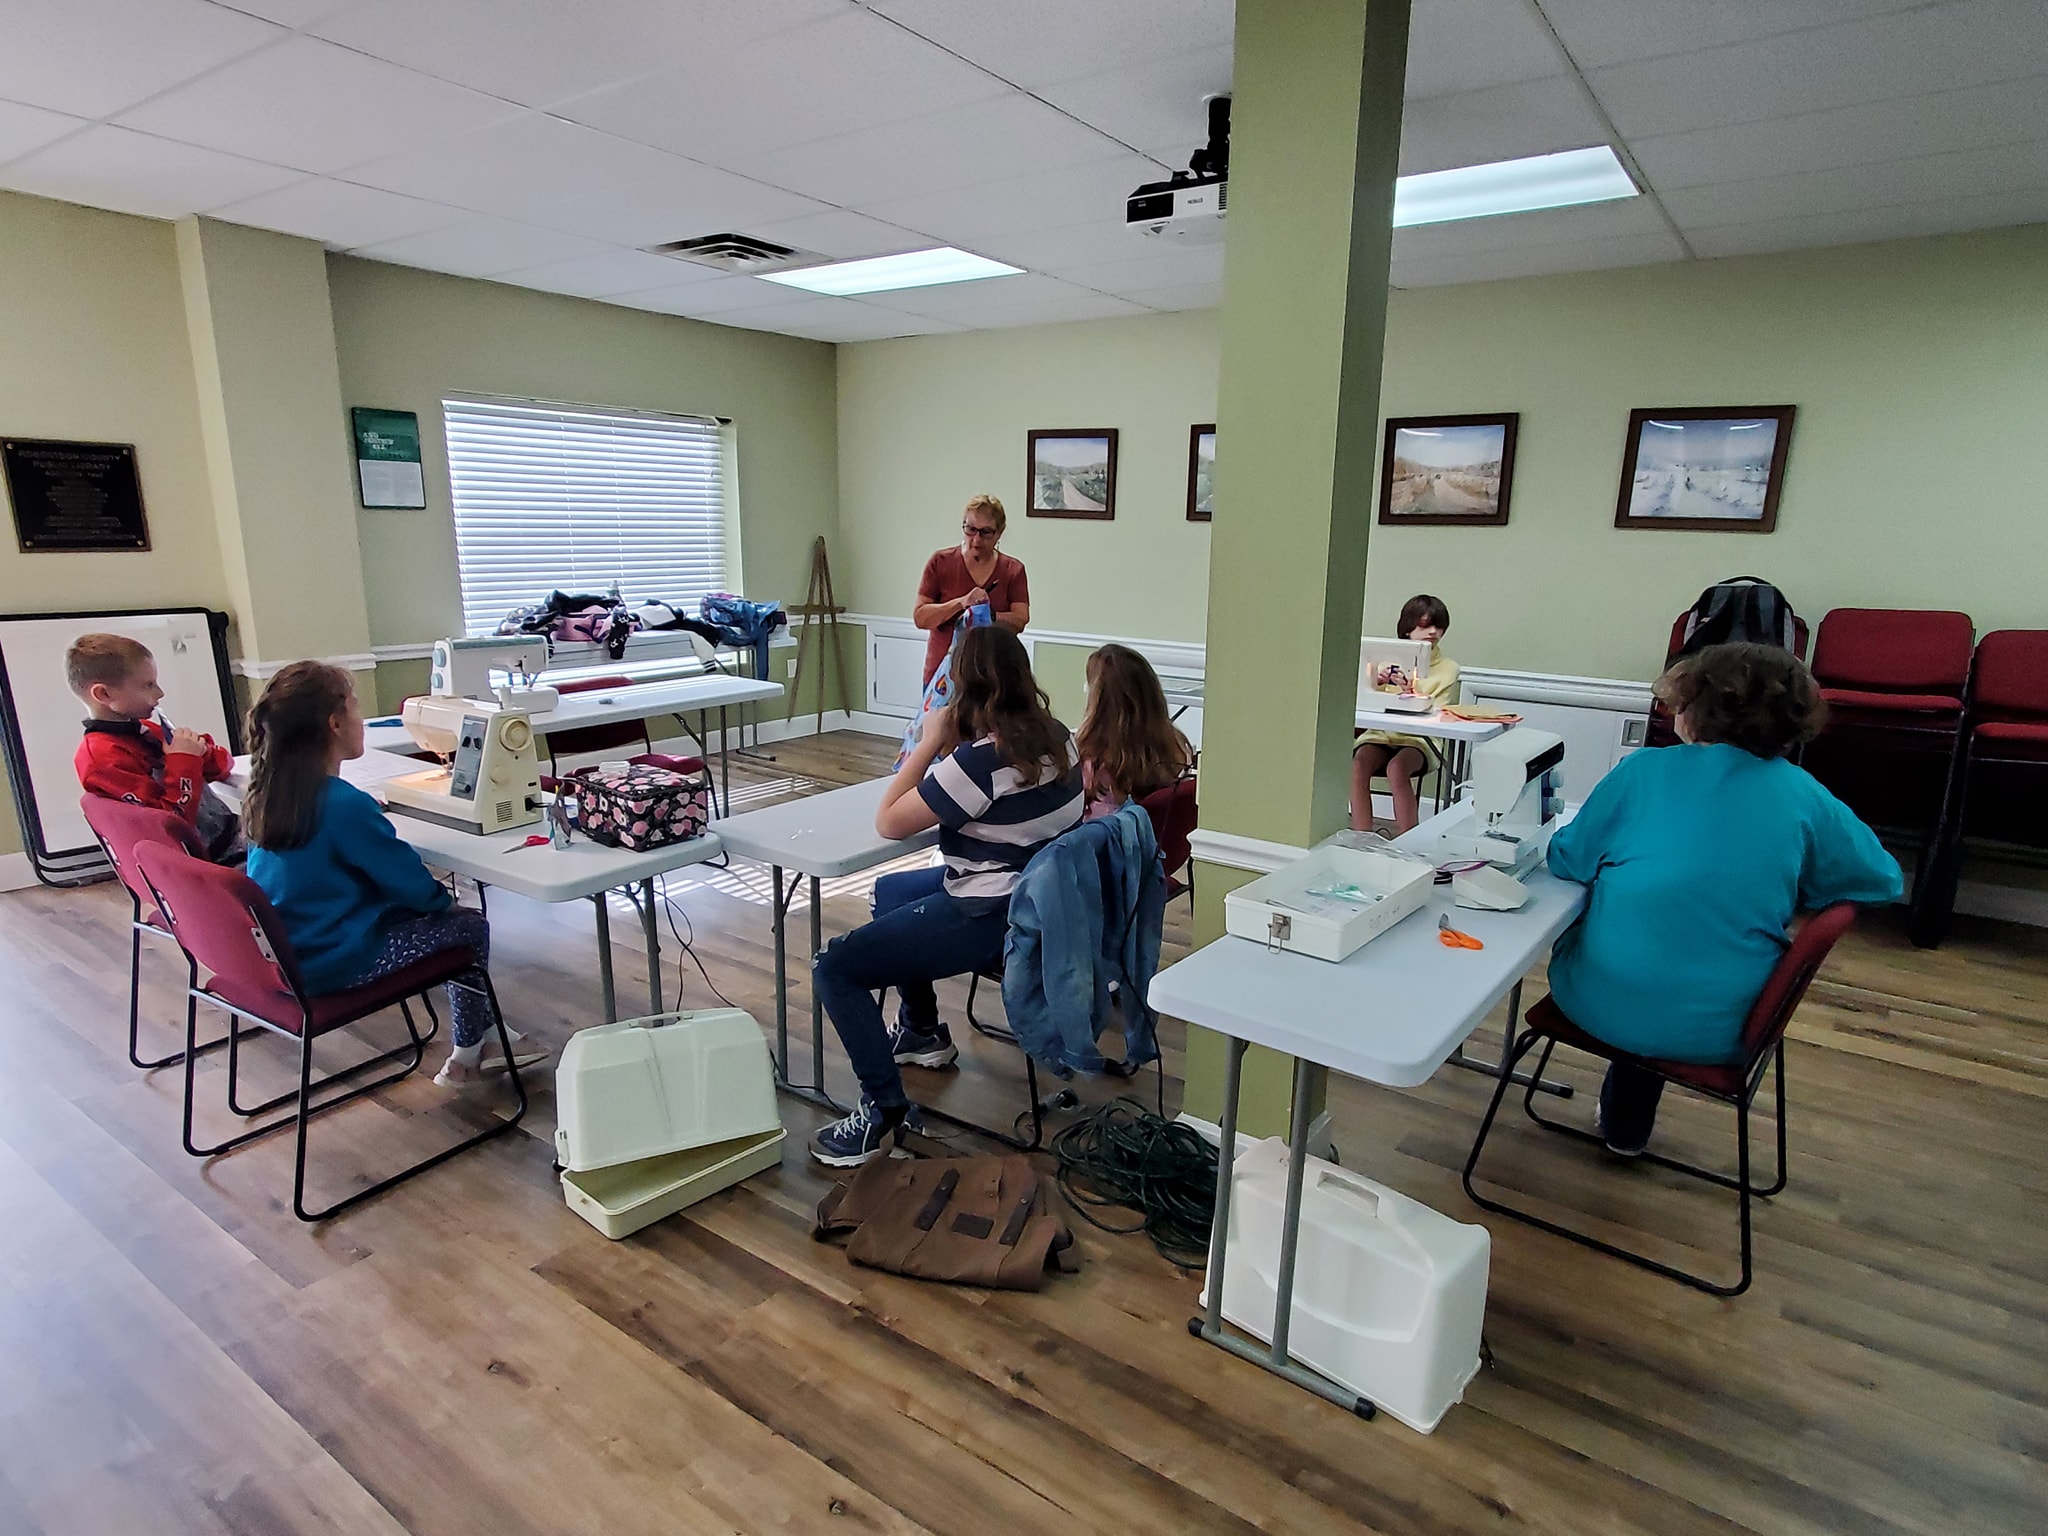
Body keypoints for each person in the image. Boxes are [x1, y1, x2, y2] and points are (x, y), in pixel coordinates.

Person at [1545, 643, 1903, 1155]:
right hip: (1724, 1026)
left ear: (1694, 708)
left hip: (1600, 1002)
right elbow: (1881, 880)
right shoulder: (1805, 796)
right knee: (1683, 956)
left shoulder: (1644, 771)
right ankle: (1626, 1128)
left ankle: (1624, 1123)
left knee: (1623, 945)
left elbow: (1570, 860)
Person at [810, 627, 1082, 1165]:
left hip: (990, 913)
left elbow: (890, 820)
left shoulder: (981, 763)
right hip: (1033, 900)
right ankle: (921, 1031)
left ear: (965, 687)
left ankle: (882, 1109)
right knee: (890, 893)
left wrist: (931, 738)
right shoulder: (1058, 736)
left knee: (834, 967)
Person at [241, 662, 547, 1088]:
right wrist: (442, 902)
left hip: (291, 949)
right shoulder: (341, 804)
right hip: (333, 961)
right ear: (334, 723)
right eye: (356, 707)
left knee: (433, 920)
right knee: (468, 926)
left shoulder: (269, 794)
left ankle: (488, 1039)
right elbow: (407, 881)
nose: (361, 719)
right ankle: (467, 1051)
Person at [69, 632, 240, 859]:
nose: (160, 693)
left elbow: (222, 767)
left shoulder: (147, 730)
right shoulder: (102, 758)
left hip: (231, 834)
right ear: (104, 693)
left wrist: (200, 750)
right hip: (210, 858)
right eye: (148, 685)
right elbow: (169, 826)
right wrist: (184, 762)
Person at [1350, 594, 1459, 835]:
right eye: (1424, 625)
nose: (1432, 631)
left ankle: (1410, 839)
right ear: (1408, 629)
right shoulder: (1384, 659)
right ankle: (1361, 837)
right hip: (1381, 735)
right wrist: (1375, 680)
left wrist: (1411, 691)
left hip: (1420, 739)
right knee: (1358, 764)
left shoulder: (1449, 668)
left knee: (1397, 768)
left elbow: (1436, 709)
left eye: (1438, 626)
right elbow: (1366, 700)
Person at [913, 493, 1030, 688]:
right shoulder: (940, 562)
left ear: (999, 533)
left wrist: (988, 614)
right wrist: (961, 603)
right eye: (970, 529)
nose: (976, 540)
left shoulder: (1013, 570)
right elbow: (921, 617)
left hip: (993, 677)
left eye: (986, 532)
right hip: (944, 677)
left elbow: (1020, 620)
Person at [1076, 643, 1192, 821]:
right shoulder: (1179, 747)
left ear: (1097, 700)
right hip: (1157, 843)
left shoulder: (1090, 760)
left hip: (1107, 844)